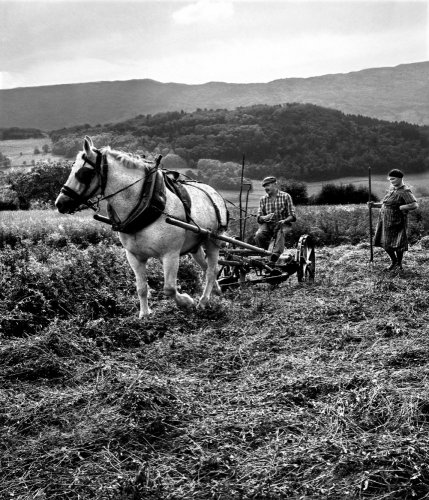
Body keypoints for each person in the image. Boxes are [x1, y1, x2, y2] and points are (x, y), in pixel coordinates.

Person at [368, 169, 418, 271]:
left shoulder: (404, 191)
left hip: (396, 222)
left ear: (400, 178)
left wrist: (401, 207)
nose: (391, 181)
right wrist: (373, 205)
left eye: (393, 179)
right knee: (385, 243)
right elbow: (386, 204)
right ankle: (394, 262)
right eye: (390, 179)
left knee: (397, 244)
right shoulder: (392, 190)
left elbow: (414, 204)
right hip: (385, 221)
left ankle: (399, 264)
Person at [255, 176, 296, 261]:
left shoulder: (285, 196)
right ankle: (265, 255)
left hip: (283, 224)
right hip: (268, 225)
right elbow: (259, 218)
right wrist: (264, 217)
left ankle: (275, 256)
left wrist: (284, 220)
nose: (266, 188)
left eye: (268, 185)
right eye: (264, 186)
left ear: (275, 184)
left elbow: (292, 216)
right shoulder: (263, 199)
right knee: (259, 235)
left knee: (281, 231)